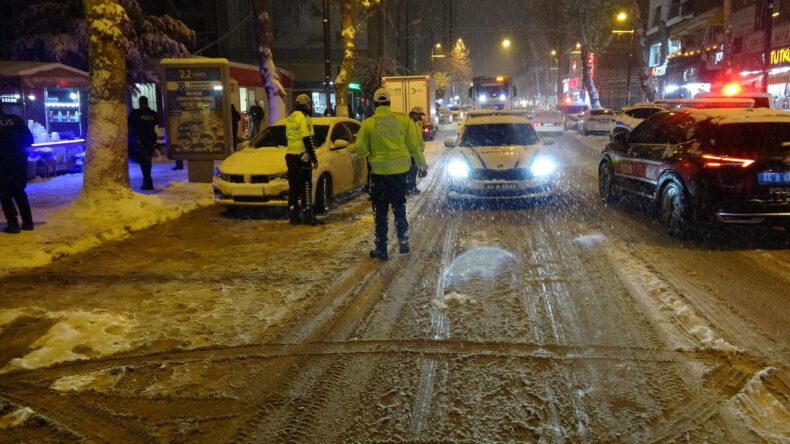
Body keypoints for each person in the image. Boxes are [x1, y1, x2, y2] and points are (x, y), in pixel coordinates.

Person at [356, 88, 428, 260]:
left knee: (380, 212)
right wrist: (422, 165)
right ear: (389, 103)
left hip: (379, 175)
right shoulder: (403, 121)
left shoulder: (368, 124)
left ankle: (381, 249)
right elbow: (414, 146)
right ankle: (403, 241)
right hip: (399, 174)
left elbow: (361, 149)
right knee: (399, 206)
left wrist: (371, 150)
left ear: (375, 104)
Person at [285, 94, 322, 226]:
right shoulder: (303, 118)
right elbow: (307, 140)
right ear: (305, 104)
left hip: (290, 155)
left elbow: (288, 137)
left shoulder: (291, 117)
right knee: (306, 185)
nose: (310, 106)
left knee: (293, 187)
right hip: (302, 156)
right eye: (309, 104)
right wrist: (314, 159)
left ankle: (293, 215)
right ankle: (308, 215)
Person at [0, 104, 34, 234]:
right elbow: (29, 139)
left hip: (2, 163)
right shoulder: (15, 119)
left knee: (5, 194)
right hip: (18, 161)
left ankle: (13, 225)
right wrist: (17, 148)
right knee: (19, 192)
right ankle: (28, 223)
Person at [128, 96, 158, 190]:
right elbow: (156, 122)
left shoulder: (136, 113)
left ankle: (148, 182)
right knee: (148, 161)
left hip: (140, 141)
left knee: (143, 162)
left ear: (140, 103)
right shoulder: (153, 113)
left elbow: (129, 123)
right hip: (150, 141)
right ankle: (147, 181)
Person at [407, 106, 427, 194]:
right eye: (418, 115)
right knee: (409, 171)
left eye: (420, 115)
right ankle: (408, 188)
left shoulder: (418, 123)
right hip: (409, 152)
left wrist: (422, 146)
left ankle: (412, 187)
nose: (420, 117)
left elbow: (420, 137)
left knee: (414, 170)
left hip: (416, 151)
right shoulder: (407, 122)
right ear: (413, 114)